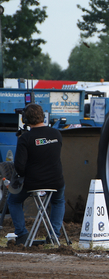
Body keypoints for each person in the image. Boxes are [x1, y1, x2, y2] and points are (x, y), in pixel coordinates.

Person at [7, 103, 65, 245]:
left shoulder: (25, 138)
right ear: (43, 117)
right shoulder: (56, 134)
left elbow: (19, 167)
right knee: (58, 201)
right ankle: (54, 236)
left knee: (13, 200)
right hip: (56, 181)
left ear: (25, 120)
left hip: (33, 182)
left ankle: (22, 235)